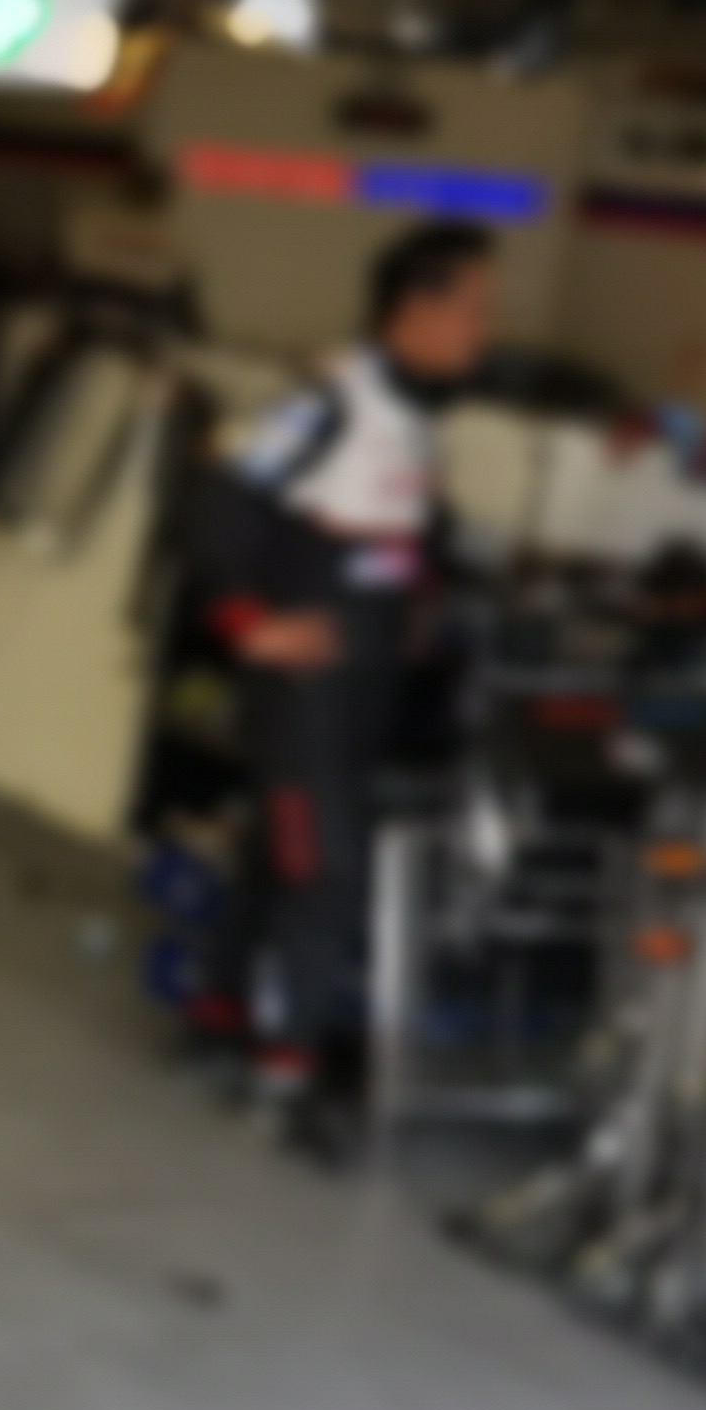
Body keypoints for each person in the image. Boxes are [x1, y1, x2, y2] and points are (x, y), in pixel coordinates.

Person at [195, 220, 497, 1157]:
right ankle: (284, 1073)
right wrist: (253, 625)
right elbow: (210, 502)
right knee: (324, 869)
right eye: (475, 308)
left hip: (366, 681)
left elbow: (406, 535)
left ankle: (219, 1010)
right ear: (419, 308)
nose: (486, 330)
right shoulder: (326, 401)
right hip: (307, 685)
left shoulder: (416, 413)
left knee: (280, 854)